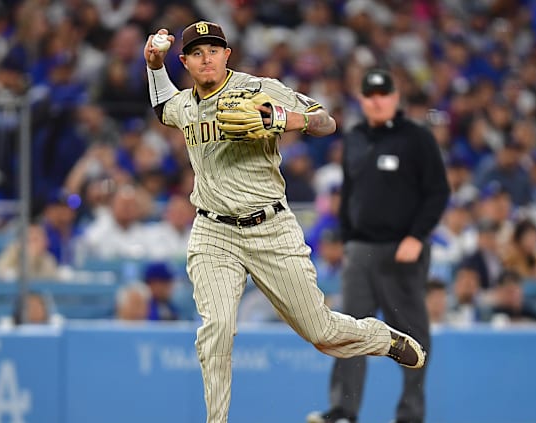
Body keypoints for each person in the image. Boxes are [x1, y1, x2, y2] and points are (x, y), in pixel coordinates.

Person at [144, 22, 426, 423]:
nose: (206, 57)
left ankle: (381, 338)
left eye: (214, 49)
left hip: (270, 227)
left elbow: (326, 122)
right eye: (197, 52)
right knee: (217, 328)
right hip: (213, 230)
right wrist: (154, 65)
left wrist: (280, 118)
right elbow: (162, 107)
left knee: (322, 333)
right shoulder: (185, 106)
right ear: (186, 62)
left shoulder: (260, 88)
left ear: (227, 54)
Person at [309, 68, 450, 423]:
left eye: (383, 94)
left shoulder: (417, 138)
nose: (377, 100)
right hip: (359, 252)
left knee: (413, 336)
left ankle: (410, 414)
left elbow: (438, 192)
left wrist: (417, 236)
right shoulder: (354, 138)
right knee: (348, 331)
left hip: (402, 251)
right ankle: (344, 410)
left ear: (395, 97)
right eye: (370, 95)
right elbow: (350, 192)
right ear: (362, 99)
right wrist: (347, 239)